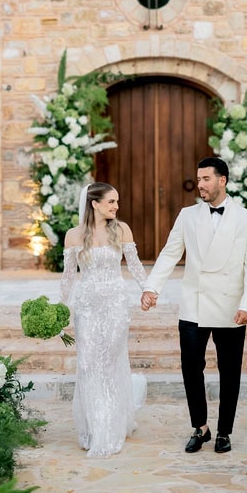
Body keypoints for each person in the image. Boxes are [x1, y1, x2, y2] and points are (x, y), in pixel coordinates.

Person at [141, 156, 247, 454]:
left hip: (230, 306)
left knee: (229, 371)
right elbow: (170, 253)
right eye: (199, 179)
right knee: (191, 368)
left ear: (222, 180)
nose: (201, 185)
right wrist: (152, 287)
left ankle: (224, 432)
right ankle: (201, 427)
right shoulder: (187, 215)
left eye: (206, 179)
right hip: (193, 304)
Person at [61, 181, 148, 458]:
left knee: (110, 361)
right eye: (111, 201)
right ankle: (91, 427)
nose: (116, 206)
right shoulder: (73, 236)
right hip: (87, 306)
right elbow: (68, 277)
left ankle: (109, 428)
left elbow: (134, 264)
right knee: (88, 364)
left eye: (117, 201)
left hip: (115, 304)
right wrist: (60, 309)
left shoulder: (121, 230)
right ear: (94, 204)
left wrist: (148, 290)